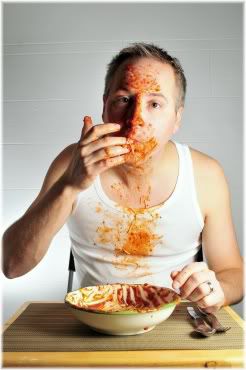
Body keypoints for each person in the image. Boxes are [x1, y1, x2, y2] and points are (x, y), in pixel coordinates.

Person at [3, 43, 243, 313]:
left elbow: (233, 274)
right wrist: (69, 186)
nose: (136, 119)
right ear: (105, 106)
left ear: (177, 118)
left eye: (155, 103)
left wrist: (215, 289)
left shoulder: (205, 175)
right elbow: (12, 265)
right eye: (124, 99)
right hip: (93, 325)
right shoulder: (72, 163)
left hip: (174, 326)